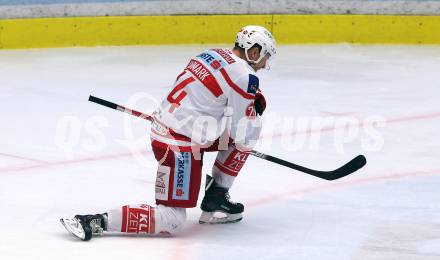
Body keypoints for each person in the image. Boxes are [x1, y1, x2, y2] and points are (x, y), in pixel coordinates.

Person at [61, 25, 277, 241]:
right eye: (265, 56)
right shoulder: (245, 76)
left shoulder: (212, 54)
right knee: (172, 218)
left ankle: (216, 197)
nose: (265, 63)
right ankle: (96, 221)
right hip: (179, 144)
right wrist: (252, 108)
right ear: (254, 51)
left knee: (241, 134)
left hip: (165, 129)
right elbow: (242, 128)